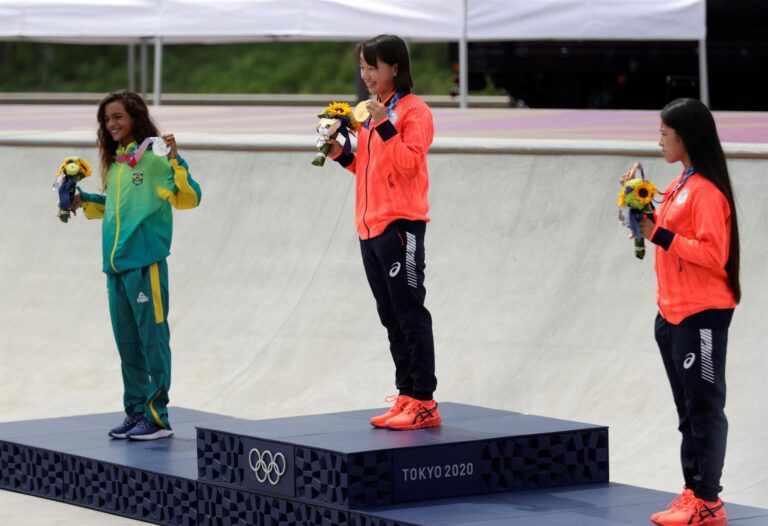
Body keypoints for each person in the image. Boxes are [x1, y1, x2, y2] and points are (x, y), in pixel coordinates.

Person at [621, 98, 739, 526]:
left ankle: (708, 500)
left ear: (685, 137)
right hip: (671, 313)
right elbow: (658, 221)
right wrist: (639, 198)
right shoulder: (679, 184)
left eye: (664, 134)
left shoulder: (706, 190)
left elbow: (714, 254)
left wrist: (659, 233)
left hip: (701, 314)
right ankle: (694, 490)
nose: (659, 141)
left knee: (704, 408)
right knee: (688, 411)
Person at [327, 35, 440, 430]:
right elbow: (371, 170)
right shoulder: (377, 114)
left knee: (410, 312)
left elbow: (409, 165)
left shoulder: (413, 111)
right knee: (390, 315)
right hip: (370, 227)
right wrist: (341, 153)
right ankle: (406, 394)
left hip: (401, 226)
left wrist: (383, 124)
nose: (366, 75)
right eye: (362, 67)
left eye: (373, 67)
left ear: (395, 67)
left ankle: (425, 400)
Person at [75, 90, 202, 441]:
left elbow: (189, 199)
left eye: (118, 117)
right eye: (106, 119)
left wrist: (177, 160)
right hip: (116, 269)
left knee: (153, 340)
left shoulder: (155, 159)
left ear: (135, 117)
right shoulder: (117, 163)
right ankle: (135, 412)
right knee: (128, 345)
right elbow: (112, 208)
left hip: (146, 264)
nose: (111, 124)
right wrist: (81, 199)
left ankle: (157, 416)